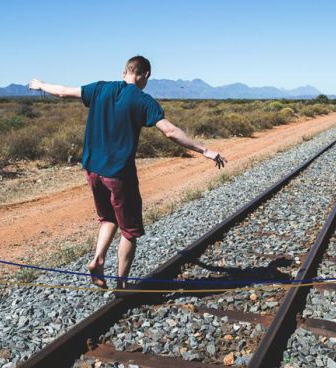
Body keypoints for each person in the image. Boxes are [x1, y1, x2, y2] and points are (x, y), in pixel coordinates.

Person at [28, 55, 226, 290]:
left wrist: (40, 85)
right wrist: (204, 150)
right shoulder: (144, 100)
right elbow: (170, 131)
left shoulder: (100, 89)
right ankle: (122, 285)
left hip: (92, 170)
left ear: (125, 71)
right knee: (129, 231)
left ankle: (98, 260)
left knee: (108, 218)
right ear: (146, 75)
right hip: (119, 174)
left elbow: (61, 91)